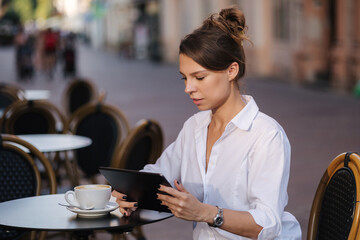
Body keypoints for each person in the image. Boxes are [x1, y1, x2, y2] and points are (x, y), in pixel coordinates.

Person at [112, 7, 301, 239]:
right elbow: (159, 175)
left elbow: (268, 224)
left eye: (199, 77)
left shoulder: (266, 135)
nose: (188, 88)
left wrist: (205, 213)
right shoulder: (194, 127)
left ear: (232, 70)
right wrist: (126, 193)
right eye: (185, 78)